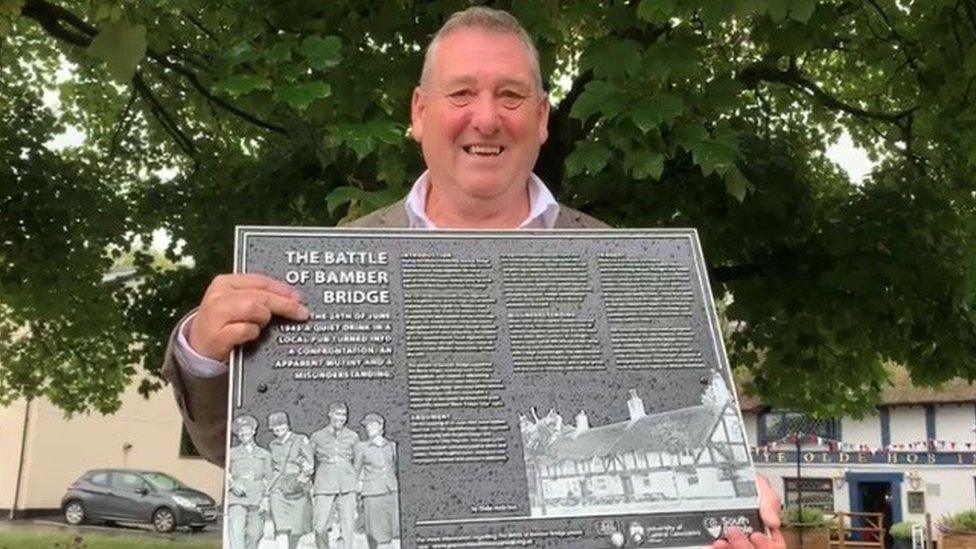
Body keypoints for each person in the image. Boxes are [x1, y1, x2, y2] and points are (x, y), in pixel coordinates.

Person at [160, 7, 784, 549]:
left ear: (541, 118)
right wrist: (206, 351)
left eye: (510, 96)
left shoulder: (627, 267)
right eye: (461, 94)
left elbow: (686, 423)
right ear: (420, 111)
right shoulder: (327, 262)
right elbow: (232, 450)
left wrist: (727, 501)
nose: (485, 119)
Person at [309, 402, 360, 549]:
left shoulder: (353, 436)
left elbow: (359, 461)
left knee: (348, 527)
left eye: (344, 415)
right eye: (338, 414)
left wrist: (356, 480)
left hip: (347, 484)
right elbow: (308, 460)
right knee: (320, 526)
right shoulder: (317, 436)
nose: (341, 418)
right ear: (330, 414)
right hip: (324, 484)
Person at [266, 411, 313, 549]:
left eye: (281, 424)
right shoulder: (273, 444)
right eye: (275, 427)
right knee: (281, 527)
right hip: (278, 488)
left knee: (297, 530)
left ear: (287, 425)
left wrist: (302, 480)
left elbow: (310, 463)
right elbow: (272, 467)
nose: (278, 428)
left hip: (296, 488)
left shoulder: (300, 439)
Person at [226, 415, 271, 549]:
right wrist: (231, 484)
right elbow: (226, 474)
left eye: (247, 430)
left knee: (255, 534)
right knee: (236, 532)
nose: (244, 433)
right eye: (240, 431)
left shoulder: (264, 454)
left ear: (253, 431)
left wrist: (266, 499)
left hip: (256, 498)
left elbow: (269, 478)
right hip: (237, 498)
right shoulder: (231, 453)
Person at [356, 413, 400, 549]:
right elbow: (356, 471)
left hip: (391, 491)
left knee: (395, 530)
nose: (369, 428)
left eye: (373, 424)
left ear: (381, 426)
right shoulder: (361, 447)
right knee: (376, 532)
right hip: (373, 493)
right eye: (367, 425)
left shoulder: (392, 446)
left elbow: (397, 467)